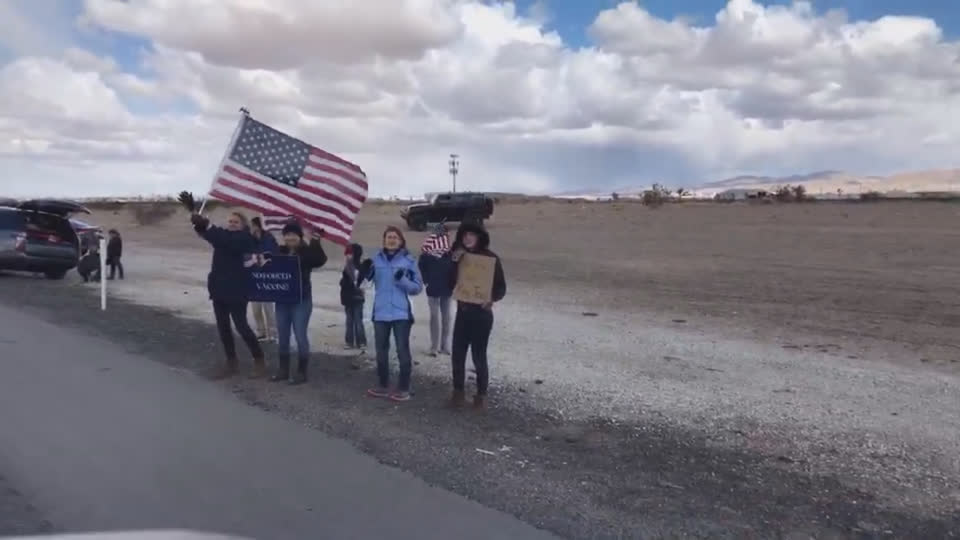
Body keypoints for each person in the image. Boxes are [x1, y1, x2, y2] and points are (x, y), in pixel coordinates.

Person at [190, 211, 266, 379]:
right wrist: (197, 222)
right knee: (223, 328)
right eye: (230, 221)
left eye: (236, 222)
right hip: (219, 289)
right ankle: (231, 362)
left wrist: (207, 225)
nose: (232, 224)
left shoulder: (245, 238)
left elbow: (223, 239)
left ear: (243, 225)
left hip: (237, 290)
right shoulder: (223, 235)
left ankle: (259, 359)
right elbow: (209, 236)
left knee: (241, 326)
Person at [359, 226, 423, 402]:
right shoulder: (375, 260)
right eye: (388, 237)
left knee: (403, 351)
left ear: (401, 241)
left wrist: (402, 280)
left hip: (401, 313)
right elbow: (364, 285)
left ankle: (403, 388)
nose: (392, 239)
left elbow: (417, 288)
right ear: (384, 240)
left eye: (395, 237)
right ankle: (383, 385)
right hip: (380, 313)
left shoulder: (409, 261)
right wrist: (362, 272)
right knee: (381, 351)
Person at [448, 223, 506, 409]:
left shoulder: (491, 259)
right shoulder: (458, 257)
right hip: (463, 312)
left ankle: (481, 396)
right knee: (457, 354)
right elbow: (449, 282)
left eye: (471, 235)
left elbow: (501, 287)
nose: (467, 238)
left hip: (482, 315)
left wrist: (491, 298)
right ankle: (458, 393)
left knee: (478, 355)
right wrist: (454, 262)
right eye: (465, 235)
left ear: (480, 237)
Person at [270, 221, 327, 385]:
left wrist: (315, 241)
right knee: (282, 335)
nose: (290, 237)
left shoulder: (306, 252)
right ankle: (283, 369)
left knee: (300, 335)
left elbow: (320, 260)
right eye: (287, 234)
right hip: (282, 300)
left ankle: (302, 372)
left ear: (299, 236)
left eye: (293, 234)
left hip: (301, 301)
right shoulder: (279, 251)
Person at [417, 223, 455, 356]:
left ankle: (445, 345)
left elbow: (455, 269)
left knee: (446, 317)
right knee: (434, 316)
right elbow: (422, 266)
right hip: (433, 287)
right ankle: (434, 346)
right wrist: (426, 281)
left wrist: (453, 283)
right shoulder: (427, 252)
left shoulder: (450, 252)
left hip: (447, 287)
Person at [249, 217, 279, 342]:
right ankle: (260, 331)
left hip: (267, 276)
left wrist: (264, 257)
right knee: (255, 308)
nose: (251, 228)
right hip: (253, 276)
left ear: (257, 225)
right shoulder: (250, 239)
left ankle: (272, 333)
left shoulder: (269, 238)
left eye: (252, 225)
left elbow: (274, 254)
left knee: (268, 307)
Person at [340, 243, 367, 351]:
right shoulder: (348, 267)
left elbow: (358, 283)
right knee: (349, 321)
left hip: (356, 298)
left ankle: (361, 341)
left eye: (349, 254)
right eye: (346, 254)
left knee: (357, 321)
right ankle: (350, 341)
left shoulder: (357, 268)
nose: (347, 256)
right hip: (348, 298)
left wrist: (344, 282)